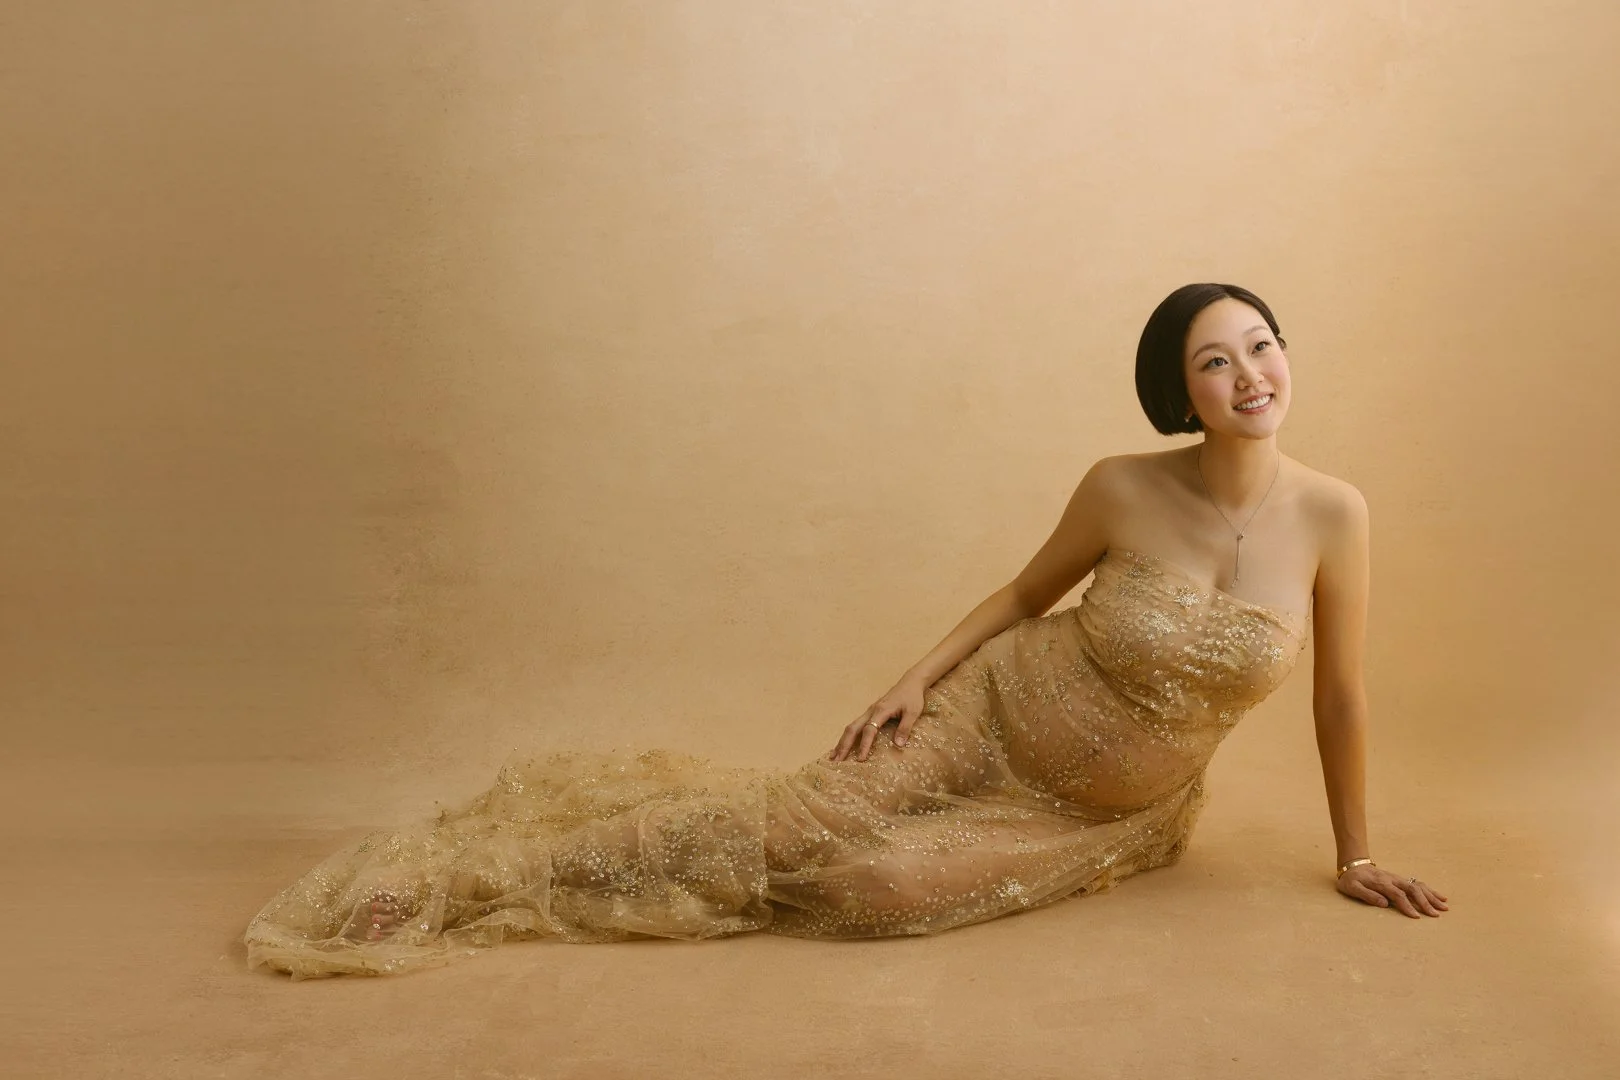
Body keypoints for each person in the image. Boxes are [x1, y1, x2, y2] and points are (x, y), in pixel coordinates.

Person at [244, 282, 1448, 980]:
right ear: (1177, 390)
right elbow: (1026, 598)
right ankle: (464, 883)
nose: (1251, 374)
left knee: (876, 889)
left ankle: (630, 881)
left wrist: (1353, 853)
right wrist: (913, 682)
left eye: (1263, 346)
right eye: (1215, 360)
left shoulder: (1335, 516)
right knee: (796, 816)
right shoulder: (1123, 485)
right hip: (992, 715)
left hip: (1095, 808)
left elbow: (1337, 701)